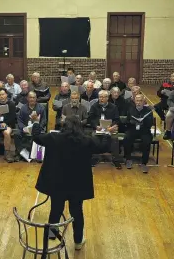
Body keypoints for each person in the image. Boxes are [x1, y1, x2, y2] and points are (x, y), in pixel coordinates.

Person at [30, 115, 106, 250]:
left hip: (57, 183)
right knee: (77, 211)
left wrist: (36, 121)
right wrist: (105, 132)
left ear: (64, 126)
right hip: (77, 184)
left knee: (56, 210)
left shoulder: (53, 138)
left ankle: (52, 237)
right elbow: (103, 146)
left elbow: (36, 136)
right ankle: (77, 241)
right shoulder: (87, 141)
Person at [88, 90, 121, 169]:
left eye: (103, 97)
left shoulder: (113, 107)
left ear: (107, 98)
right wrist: (96, 126)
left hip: (110, 129)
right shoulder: (94, 106)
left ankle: (116, 160)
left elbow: (117, 119)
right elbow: (90, 119)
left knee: (115, 138)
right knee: (94, 137)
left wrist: (112, 127)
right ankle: (95, 158)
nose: (101, 99)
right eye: (100, 97)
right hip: (98, 128)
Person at [123, 94, 154, 173]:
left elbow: (150, 123)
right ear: (134, 101)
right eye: (137, 101)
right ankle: (128, 159)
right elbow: (127, 121)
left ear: (144, 102)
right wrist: (131, 122)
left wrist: (143, 122)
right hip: (133, 129)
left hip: (144, 131)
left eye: (140, 101)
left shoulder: (148, 110)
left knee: (147, 142)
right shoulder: (130, 109)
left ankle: (144, 163)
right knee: (126, 138)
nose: (138, 102)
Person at [15, 92, 47, 161]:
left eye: (33, 97)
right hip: (26, 128)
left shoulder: (41, 108)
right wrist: (23, 128)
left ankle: (39, 155)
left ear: (36, 99)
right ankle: (21, 153)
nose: (32, 99)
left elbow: (44, 121)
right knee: (17, 134)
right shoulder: (23, 108)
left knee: (42, 135)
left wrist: (38, 127)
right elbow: (19, 120)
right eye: (30, 97)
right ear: (27, 98)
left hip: (37, 129)